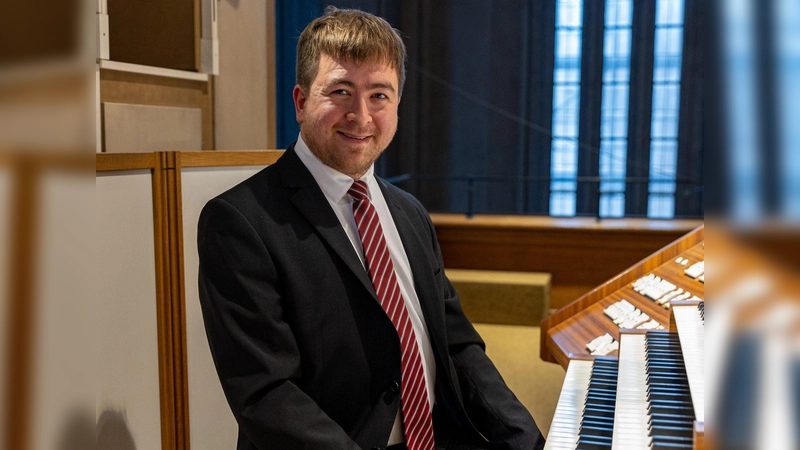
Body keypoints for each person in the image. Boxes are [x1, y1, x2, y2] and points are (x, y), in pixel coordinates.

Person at [197, 7, 545, 450]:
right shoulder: (239, 221)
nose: (361, 116)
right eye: (340, 91)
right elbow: (266, 395)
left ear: (397, 104)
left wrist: (529, 441)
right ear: (301, 102)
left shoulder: (410, 212)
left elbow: (457, 347)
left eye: (379, 95)